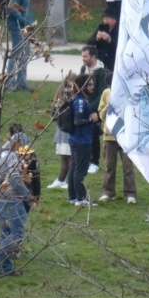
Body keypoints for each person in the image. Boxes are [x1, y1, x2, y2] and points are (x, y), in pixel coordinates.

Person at [0, 142, 31, 277]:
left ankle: (6, 269)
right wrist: (28, 197)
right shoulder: (12, 156)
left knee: (6, 233)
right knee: (17, 233)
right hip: (10, 200)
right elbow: (14, 178)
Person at [98, 73, 137, 204]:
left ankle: (130, 193)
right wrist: (106, 109)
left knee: (127, 165)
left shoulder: (128, 93)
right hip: (110, 135)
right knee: (109, 165)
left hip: (125, 135)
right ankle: (108, 192)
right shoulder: (106, 93)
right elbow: (101, 114)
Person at [67, 74, 99, 207]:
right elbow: (78, 121)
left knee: (74, 168)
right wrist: (91, 120)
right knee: (79, 171)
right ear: (83, 86)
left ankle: (73, 197)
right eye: (90, 84)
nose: (92, 87)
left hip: (76, 140)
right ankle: (81, 199)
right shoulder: (80, 101)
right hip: (81, 141)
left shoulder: (79, 99)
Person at [5, 0, 37, 92]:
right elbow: (11, 9)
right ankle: (9, 82)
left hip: (26, 27)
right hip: (18, 27)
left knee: (25, 54)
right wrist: (25, 22)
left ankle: (21, 82)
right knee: (16, 54)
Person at [80, 45, 107, 174]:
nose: (83, 59)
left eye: (85, 56)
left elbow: (102, 93)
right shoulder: (83, 69)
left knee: (94, 135)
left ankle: (94, 162)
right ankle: (85, 160)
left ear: (93, 57)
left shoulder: (101, 73)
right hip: (82, 107)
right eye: (82, 56)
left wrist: (91, 109)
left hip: (95, 109)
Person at [48, 72, 76, 190]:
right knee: (64, 157)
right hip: (61, 130)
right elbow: (53, 115)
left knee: (70, 158)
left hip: (69, 131)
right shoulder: (61, 96)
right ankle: (61, 180)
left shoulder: (76, 98)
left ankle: (70, 181)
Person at [87, 6, 119, 72]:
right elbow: (89, 42)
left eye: (107, 19)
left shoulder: (119, 30)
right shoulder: (101, 28)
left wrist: (110, 40)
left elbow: (119, 47)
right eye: (104, 19)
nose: (104, 21)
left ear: (114, 20)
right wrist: (96, 38)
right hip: (101, 60)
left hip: (113, 60)